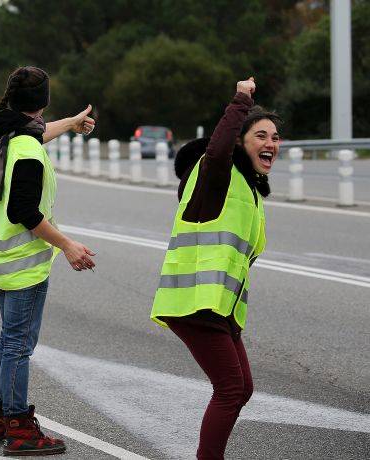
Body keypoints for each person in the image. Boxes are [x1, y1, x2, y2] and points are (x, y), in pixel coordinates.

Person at [0, 66, 96, 456]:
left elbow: (39, 132)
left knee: (8, 339)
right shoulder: (25, 148)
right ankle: (18, 427)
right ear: (42, 102)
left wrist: (72, 123)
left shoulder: (3, 131)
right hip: (22, 262)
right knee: (18, 346)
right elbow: (26, 210)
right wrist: (67, 245)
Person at [150, 77, 279, 459]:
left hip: (218, 306)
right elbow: (219, 150)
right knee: (230, 389)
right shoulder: (216, 173)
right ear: (239, 141)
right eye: (260, 135)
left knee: (242, 388)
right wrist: (240, 100)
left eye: (275, 137)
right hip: (194, 302)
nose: (270, 143)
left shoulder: (248, 189)